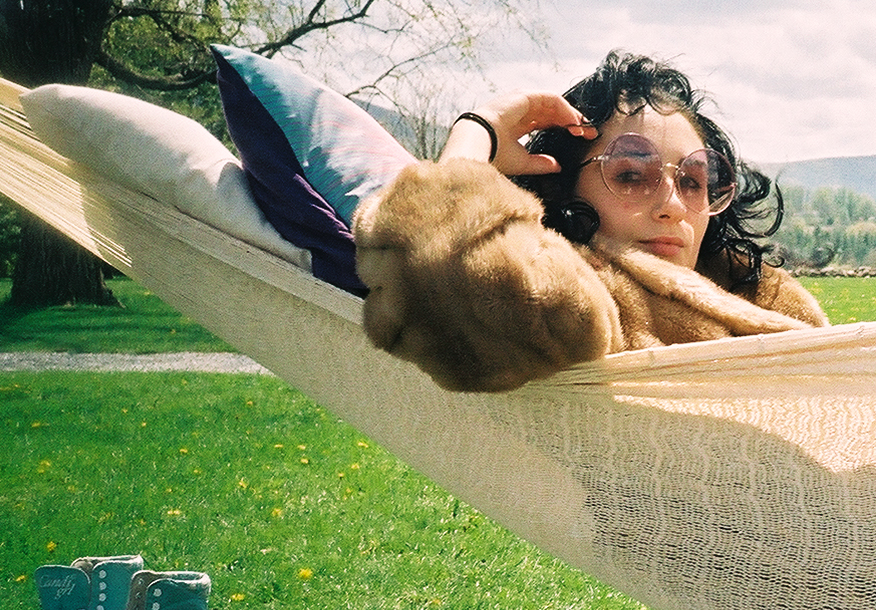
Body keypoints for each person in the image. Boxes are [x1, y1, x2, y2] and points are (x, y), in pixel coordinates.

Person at [353, 52, 828, 392]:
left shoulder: (759, 293)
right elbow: (446, 275)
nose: (672, 205)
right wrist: (478, 132)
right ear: (566, 192)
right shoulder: (587, 300)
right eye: (630, 174)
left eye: (694, 180)